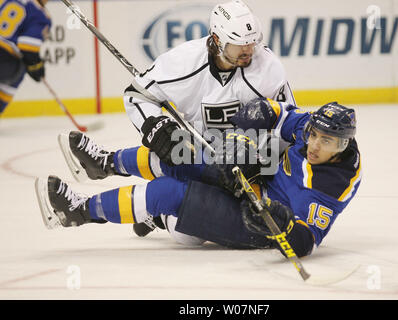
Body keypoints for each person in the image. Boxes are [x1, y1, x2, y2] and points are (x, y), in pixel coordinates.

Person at [59, 0, 296, 237]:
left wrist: (264, 159)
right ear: (216, 40)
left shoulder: (268, 69)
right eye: (239, 45)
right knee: (178, 149)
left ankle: (160, 216)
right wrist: (155, 126)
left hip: (250, 162)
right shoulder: (183, 62)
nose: (248, 51)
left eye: (251, 43)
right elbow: (136, 95)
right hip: (199, 149)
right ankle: (107, 163)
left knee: (187, 237)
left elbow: (289, 122)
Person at [36, 98, 362, 258]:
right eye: (314, 135)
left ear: (343, 144)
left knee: (168, 193)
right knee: (177, 153)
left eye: (326, 141)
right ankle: (103, 163)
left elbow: (305, 244)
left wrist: (282, 225)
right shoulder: (311, 129)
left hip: (259, 220)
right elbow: (273, 112)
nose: (314, 145)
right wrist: (244, 138)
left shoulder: (333, 185)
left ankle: (77, 211)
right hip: (259, 174)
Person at [0, 0, 51, 115]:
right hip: (3, 58)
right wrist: (37, 67)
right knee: (22, 65)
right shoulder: (40, 14)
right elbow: (28, 51)